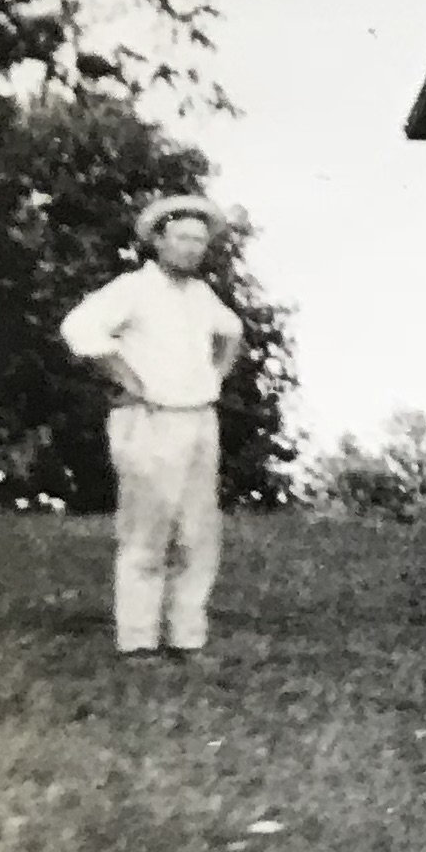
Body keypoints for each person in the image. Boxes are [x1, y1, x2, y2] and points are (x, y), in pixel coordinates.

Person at [58, 193, 249, 660]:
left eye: (199, 242)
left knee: (198, 535)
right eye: (182, 238)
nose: (191, 249)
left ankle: (188, 638)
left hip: (199, 419)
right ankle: (139, 642)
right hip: (150, 420)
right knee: (146, 533)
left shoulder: (201, 294)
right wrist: (126, 376)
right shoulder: (132, 288)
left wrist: (217, 376)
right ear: (159, 241)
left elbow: (232, 330)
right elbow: (78, 328)